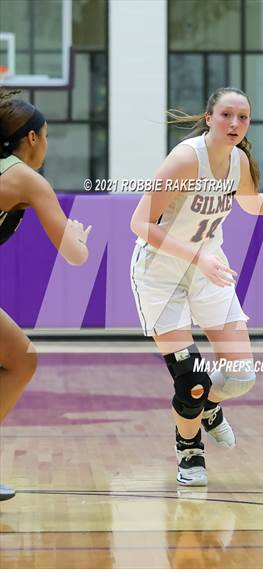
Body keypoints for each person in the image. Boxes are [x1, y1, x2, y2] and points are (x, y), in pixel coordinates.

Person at [130, 86, 263, 486]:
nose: (235, 123)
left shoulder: (238, 160)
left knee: (242, 377)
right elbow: (140, 224)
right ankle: (189, 448)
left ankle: (209, 407)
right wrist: (198, 257)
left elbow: (253, 202)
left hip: (208, 269)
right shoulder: (184, 159)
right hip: (162, 274)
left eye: (242, 117)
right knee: (191, 380)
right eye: (227, 115)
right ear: (209, 117)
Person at [0, 89, 92, 500]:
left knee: (21, 358)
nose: (47, 145)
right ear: (32, 138)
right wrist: (79, 238)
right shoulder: (25, 177)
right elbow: (74, 256)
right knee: (21, 360)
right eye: (48, 136)